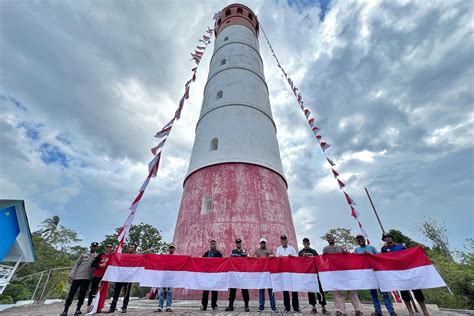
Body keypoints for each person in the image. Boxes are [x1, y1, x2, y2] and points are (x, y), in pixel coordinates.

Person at [381, 233, 430, 316]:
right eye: (386, 238)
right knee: (404, 293)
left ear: (392, 238)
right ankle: (410, 312)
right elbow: (384, 260)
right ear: (384, 239)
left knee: (417, 291)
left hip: (407, 270)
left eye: (389, 237)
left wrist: (418, 249)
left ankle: (425, 311)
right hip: (397, 273)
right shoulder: (384, 249)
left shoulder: (400, 246)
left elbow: (409, 253)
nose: (388, 238)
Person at [354, 234, 396, 316]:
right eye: (358, 239)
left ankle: (391, 311)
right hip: (367, 275)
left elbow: (379, 258)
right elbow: (355, 261)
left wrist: (370, 255)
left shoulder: (371, 248)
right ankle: (378, 311)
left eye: (361, 238)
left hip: (377, 272)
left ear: (364, 239)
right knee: (373, 293)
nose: (360, 240)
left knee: (384, 291)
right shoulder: (356, 250)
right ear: (357, 241)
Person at [323, 233, 363, 315]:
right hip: (334, 272)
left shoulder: (340, 247)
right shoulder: (325, 249)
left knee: (352, 291)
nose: (330, 238)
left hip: (345, 271)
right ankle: (340, 311)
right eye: (328, 238)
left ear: (334, 238)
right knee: (337, 292)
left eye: (331, 237)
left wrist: (346, 252)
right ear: (327, 240)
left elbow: (348, 255)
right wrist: (324, 256)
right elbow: (324, 260)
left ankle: (358, 310)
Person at [60, 242, 99, 316]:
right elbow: (76, 265)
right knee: (71, 293)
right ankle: (65, 310)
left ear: (97, 248)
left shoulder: (97, 256)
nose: (94, 248)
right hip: (77, 277)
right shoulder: (83, 255)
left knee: (82, 294)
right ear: (90, 247)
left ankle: (78, 309)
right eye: (93, 246)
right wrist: (71, 275)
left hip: (87, 278)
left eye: (95, 247)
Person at [299, 237, 327, 314]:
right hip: (308, 274)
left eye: (307, 242)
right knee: (310, 291)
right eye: (304, 242)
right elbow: (299, 262)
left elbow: (319, 260)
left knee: (320, 291)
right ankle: (313, 307)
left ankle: (323, 307)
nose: (306, 244)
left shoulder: (314, 251)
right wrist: (303, 256)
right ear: (303, 243)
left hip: (316, 273)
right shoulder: (301, 252)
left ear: (309, 243)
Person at [107, 243, 138, 314]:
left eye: (132, 247)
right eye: (130, 246)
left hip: (128, 278)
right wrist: (122, 248)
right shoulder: (124, 255)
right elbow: (118, 257)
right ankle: (112, 308)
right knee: (116, 293)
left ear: (135, 249)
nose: (130, 248)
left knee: (126, 294)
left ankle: (124, 307)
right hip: (120, 277)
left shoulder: (136, 256)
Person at [276, 235, 300, 312]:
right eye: (282, 240)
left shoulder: (291, 248)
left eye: (284, 239)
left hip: (292, 271)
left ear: (287, 240)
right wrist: (278, 258)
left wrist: (292, 256)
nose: (283, 241)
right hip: (283, 272)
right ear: (280, 241)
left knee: (294, 289)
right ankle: (287, 307)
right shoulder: (279, 249)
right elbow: (276, 259)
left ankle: (296, 307)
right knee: (285, 290)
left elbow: (297, 258)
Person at [225, 239, 250, 312]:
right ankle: (230, 305)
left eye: (239, 243)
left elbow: (249, 259)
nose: (238, 244)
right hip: (234, 274)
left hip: (243, 274)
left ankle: (246, 305)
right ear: (236, 244)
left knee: (245, 290)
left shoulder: (245, 252)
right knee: (232, 290)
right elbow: (229, 259)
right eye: (237, 243)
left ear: (241, 244)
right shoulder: (233, 252)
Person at [253, 237, 277, 313]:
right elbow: (253, 258)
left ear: (265, 243)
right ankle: (261, 307)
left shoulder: (269, 250)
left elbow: (275, 257)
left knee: (271, 290)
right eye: (262, 243)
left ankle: (273, 307)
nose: (263, 244)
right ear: (260, 243)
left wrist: (272, 256)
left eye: (264, 242)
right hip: (261, 273)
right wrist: (255, 257)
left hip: (269, 273)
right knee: (261, 290)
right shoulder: (257, 251)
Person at [86, 243, 113, 311]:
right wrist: (100, 265)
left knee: (103, 292)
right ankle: (89, 306)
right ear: (105, 247)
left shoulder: (113, 256)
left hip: (106, 276)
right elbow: (93, 264)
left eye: (110, 247)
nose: (109, 248)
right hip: (97, 275)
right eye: (107, 246)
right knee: (93, 290)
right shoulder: (100, 255)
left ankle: (99, 307)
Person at [201, 240, 223, 311]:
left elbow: (222, 262)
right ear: (210, 245)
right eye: (212, 244)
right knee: (205, 291)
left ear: (216, 245)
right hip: (207, 275)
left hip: (215, 275)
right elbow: (201, 261)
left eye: (214, 244)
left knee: (214, 291)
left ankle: (214, 305)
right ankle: (204, 306)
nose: (213, 245)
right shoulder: (207, 253)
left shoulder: (219, 254)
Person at [156, 244, 176, 312]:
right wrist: (160, 257)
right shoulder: (165, 256)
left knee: (170, 292)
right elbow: (159, 261)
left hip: (171, 276)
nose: (171, 249)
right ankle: (160, 307)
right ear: (168, 249)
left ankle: (168, 306)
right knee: (162, 292)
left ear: (174, 249)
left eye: (172, 248)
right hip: (164, 276)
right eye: (170, 248)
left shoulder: (176, 257)